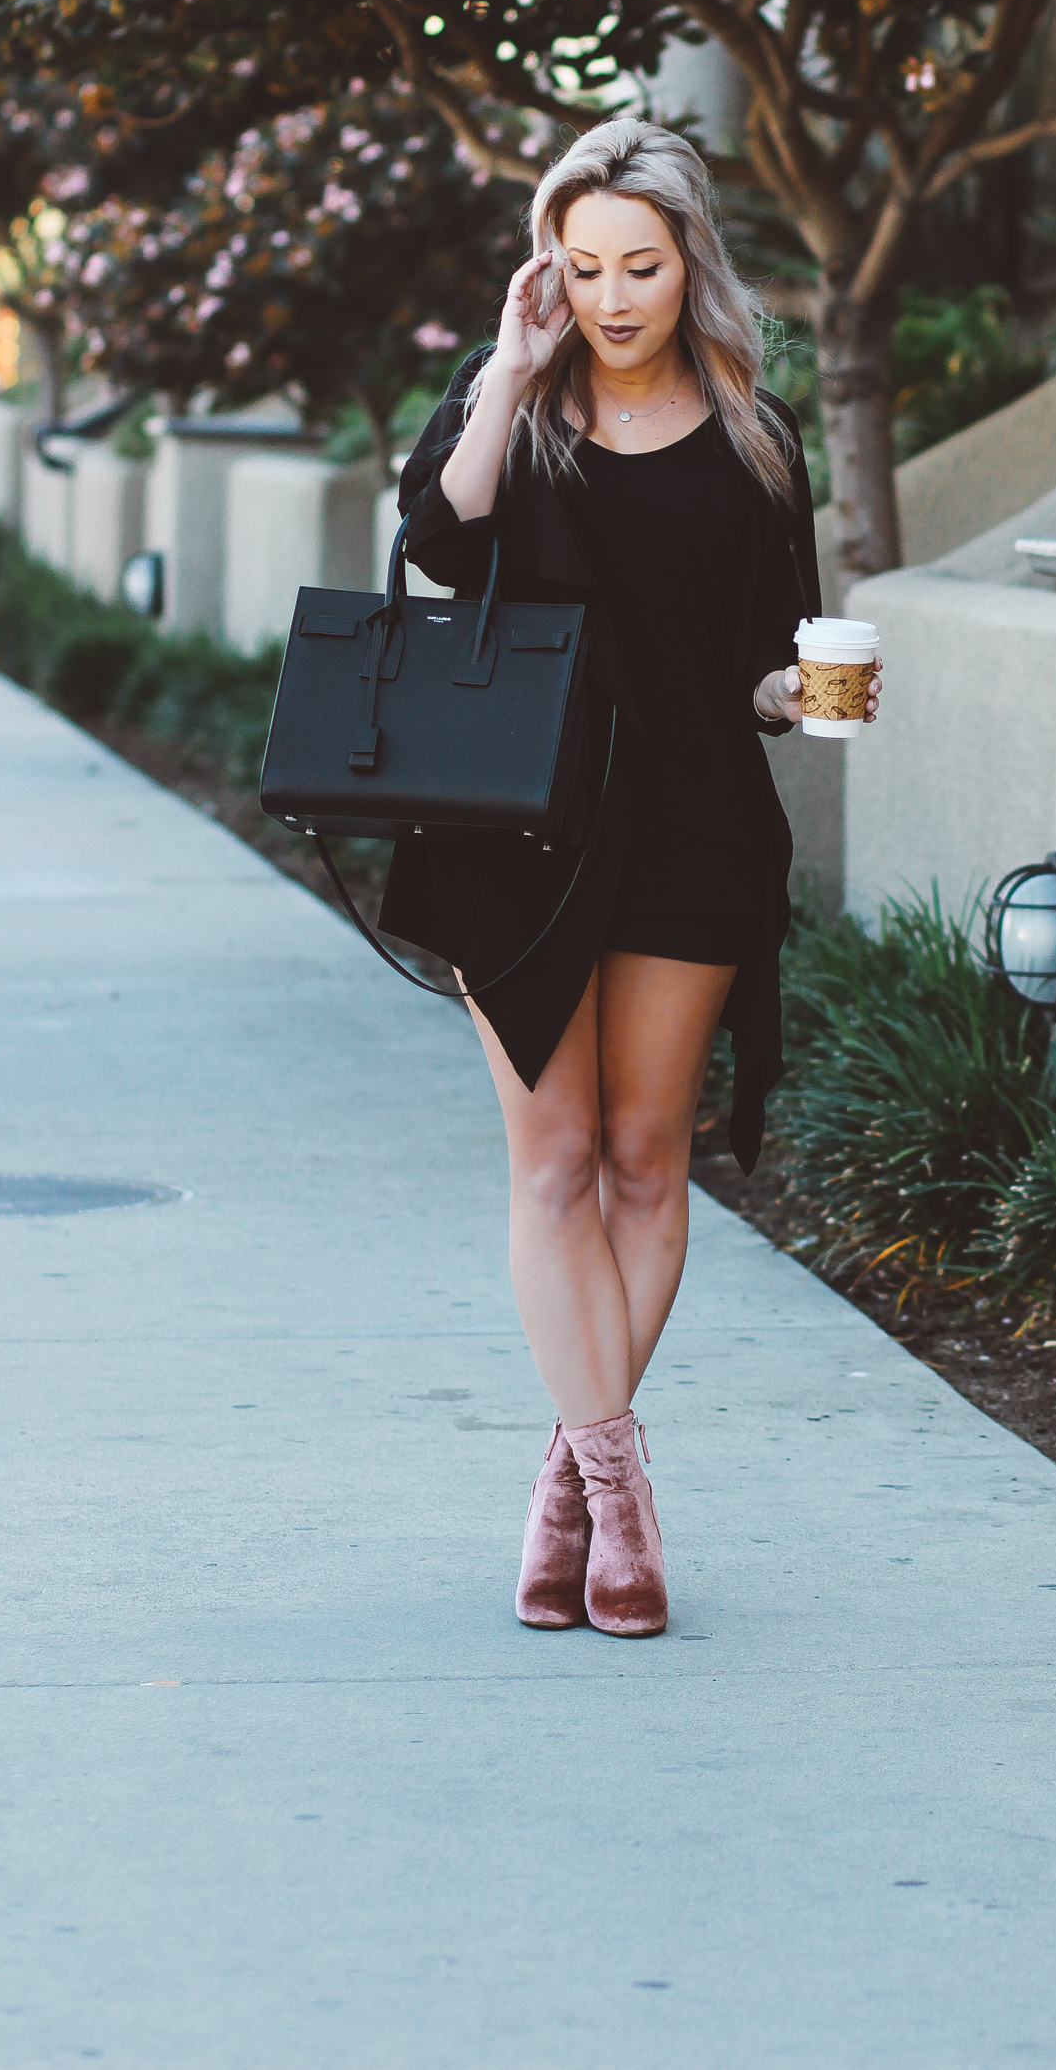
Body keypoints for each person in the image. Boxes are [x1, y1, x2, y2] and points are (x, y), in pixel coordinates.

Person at [381, 120, 883, 1638]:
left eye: (640, 267)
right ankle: (622, 1499)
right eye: (584, 266)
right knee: (553, 1159)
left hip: (689, 825)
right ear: (553, 266)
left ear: (691, 265)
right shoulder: (507, 406)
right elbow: (434, 548)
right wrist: (507, 369)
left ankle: (563, 1488)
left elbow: (761, 657)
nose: (611, 296)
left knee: (646, 1159)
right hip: (510, 829)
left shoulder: (755, 436)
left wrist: (795, 701)